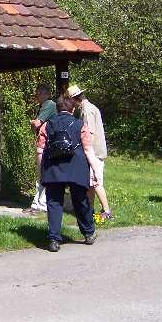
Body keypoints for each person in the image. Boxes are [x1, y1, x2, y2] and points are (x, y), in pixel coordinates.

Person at [36, 94, 101, 252]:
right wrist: (95, 169)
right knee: (81, 200)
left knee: (54, 203)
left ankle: (54, 239)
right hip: (76, 166)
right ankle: (88, 233)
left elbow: (40, 150)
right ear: (73, 109)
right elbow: (88, 149)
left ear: (57, 109)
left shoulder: (46, 125)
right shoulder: (80, 125)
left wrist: (41, 171)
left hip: (53, 167)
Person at [67, 84, 112, 221]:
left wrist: (85, 153)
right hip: (96, 151)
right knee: (91, 183)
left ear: (75, 99)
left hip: (94, 152)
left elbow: (89, 134)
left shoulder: (87, 110)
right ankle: (89, 210)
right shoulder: (89, 107)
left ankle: (106, 211)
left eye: (70, 100)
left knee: (96, 182)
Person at [24, 83, 57, 214]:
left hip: (46, 145)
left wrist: (32, 122)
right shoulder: (43, 106)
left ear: (46, 94)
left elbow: (36, 124)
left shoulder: (49, 105)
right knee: (40, 175)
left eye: (39, 93)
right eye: (37, 93)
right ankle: (36, 204)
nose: (37, 96)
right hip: (42, 144)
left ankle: (42, 205)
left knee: (43, 174)